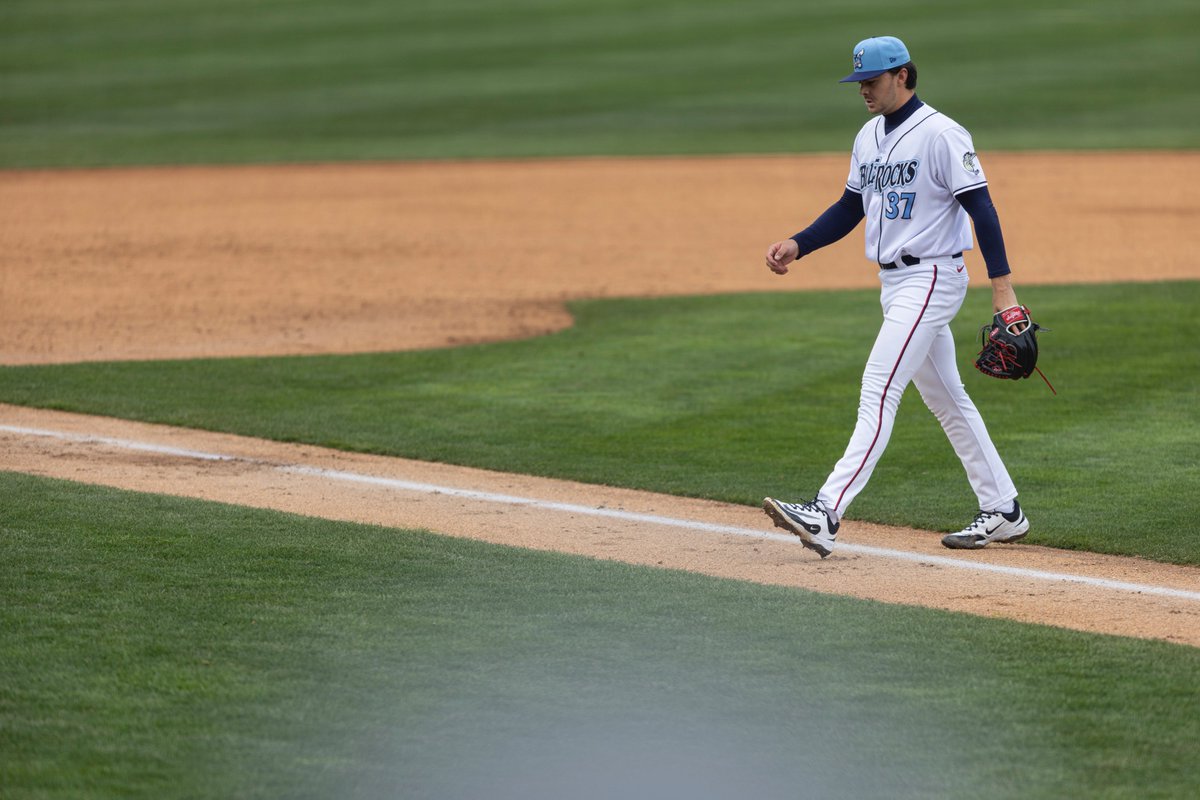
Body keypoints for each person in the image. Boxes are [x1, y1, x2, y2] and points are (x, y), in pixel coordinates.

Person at [761, 35, 1030, 557]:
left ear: (903, 75)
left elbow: (984, 210)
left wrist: (1003, 289)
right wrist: (799, 243)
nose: (864, 90)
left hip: (932, 277)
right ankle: (1003, 509)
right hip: (895, 284)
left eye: (873, 81)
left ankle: (826, 511)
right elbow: (848, 207)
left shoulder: (942, 135)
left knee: (878, 389)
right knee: (947, 400)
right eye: (859, 82)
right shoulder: (868, 136)